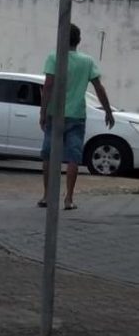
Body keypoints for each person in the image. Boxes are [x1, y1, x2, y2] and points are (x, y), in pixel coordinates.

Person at [38, 23, 114, 210]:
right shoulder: (87, 62)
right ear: (78, 41)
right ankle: (69, 198)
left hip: (55, 114)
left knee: (48, 155)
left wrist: (43, 110)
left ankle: (47, 196)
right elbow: (98, 87)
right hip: (77, 115)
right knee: (73, 157)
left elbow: (48, 86)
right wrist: (108, 111)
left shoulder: (53, 58)